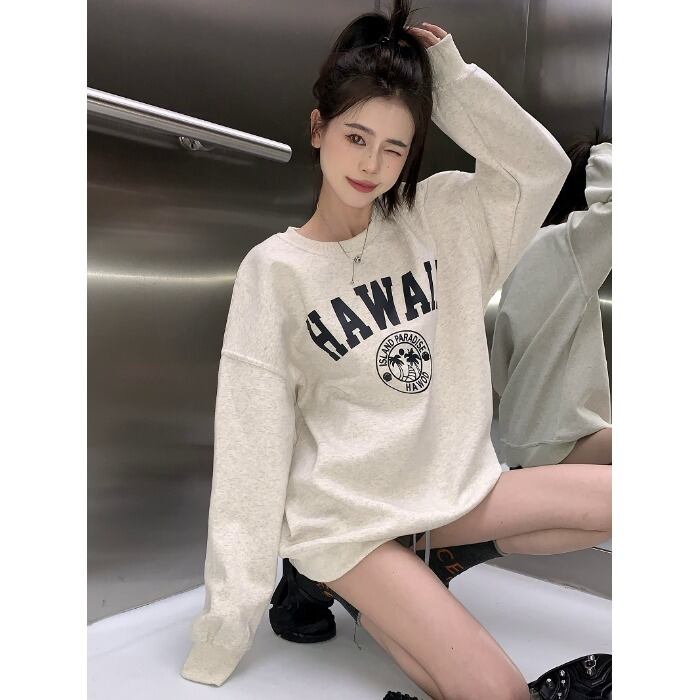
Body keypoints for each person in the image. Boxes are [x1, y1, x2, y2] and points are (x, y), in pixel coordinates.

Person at [180, 2, 612, 698]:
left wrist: (453, 80)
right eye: (356, 136)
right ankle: (335, 578)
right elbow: (249, 452)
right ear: (318, 128)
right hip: (347, 524)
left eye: (394, 147)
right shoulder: (275, 272)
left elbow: (539, 168)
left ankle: (431, 566)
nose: (371, 164)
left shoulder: (439, 219)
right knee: (499, 692)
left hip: (445, 495)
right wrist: (225, 627)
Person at [490, 139, 613, 469]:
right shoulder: (570, 244)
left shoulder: (522, 252)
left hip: (521, 442)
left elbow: (500, 370)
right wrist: (605, 149)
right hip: (561, 442)